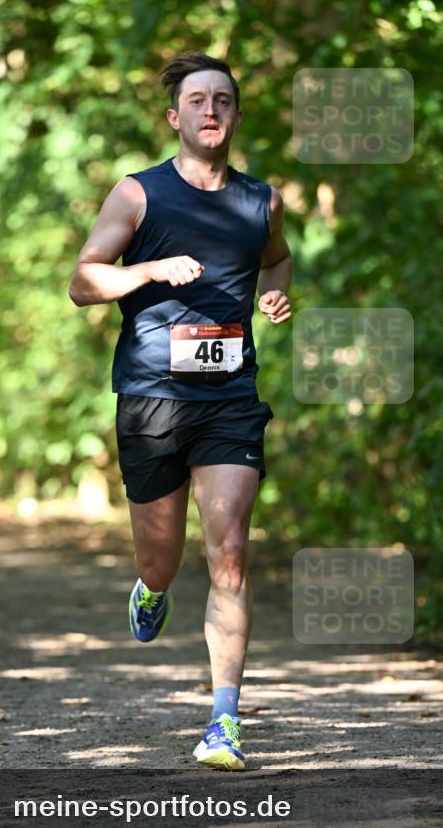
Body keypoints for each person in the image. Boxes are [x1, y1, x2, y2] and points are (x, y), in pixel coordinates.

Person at [69, 52, 293, 770]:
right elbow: (81, 281)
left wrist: (272, 294)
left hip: (228, 398)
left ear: (233, 115)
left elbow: (277, 257)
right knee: (161, 560)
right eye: (196, 99)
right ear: (175, 117)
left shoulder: (260, 200)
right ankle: (151, 587)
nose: (209, 110)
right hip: (150, 399)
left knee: (228, 551)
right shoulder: (138, 195)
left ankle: (223, 721)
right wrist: (147, 270)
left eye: (222, 100)